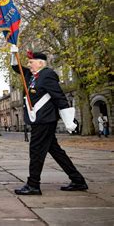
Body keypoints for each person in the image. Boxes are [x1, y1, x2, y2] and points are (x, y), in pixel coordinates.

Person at [11, 46, 88, 195]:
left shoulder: (48, 75)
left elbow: (59, 96)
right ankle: (78, 180)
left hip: (45, 119)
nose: (29, 64)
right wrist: (13, 52)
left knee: (36, 151)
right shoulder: (31, 76)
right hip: (39, 119)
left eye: (31, 62)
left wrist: (68, 120)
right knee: (56, 151)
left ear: (41, 63)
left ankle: (33, 184)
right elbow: (16, 67)